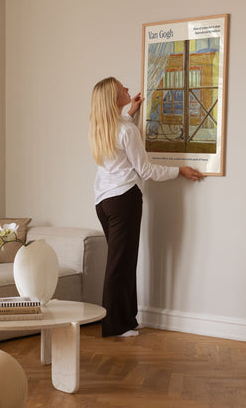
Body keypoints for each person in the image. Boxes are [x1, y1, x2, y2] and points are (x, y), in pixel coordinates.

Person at [89, 77, 204, 338]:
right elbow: (146, 170)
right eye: (122, 89)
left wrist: (131, 112)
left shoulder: (101, 127)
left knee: (122, 262)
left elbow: (121, 130)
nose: (128, 90)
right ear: (113, 99)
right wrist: (180, 171)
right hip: (124, 200)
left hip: (103, 202)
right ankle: (115, 326)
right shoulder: (126, 131)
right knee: (121, 265)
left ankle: (127, 319)